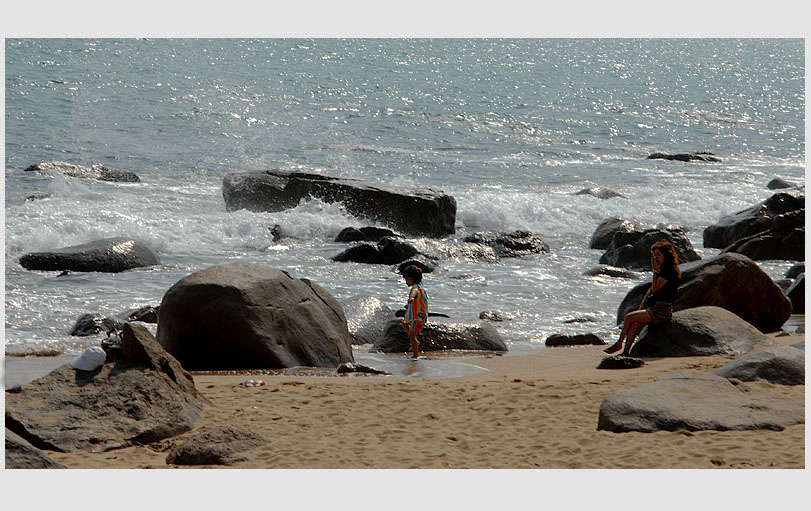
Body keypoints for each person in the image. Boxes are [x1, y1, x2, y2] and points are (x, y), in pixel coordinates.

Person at [604, 239, 681, 356]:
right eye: (654, 255)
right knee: (634, 323)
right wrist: (642, 306)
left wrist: (655, 270)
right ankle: (625, 352)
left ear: (667, 255)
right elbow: (651, 291)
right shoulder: (663, 269)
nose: (656, 258)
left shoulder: (668, 271)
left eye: (659, 255)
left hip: (661, 311)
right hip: (655, 308)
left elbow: (655, 288)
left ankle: (619, 343)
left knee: (629, 317)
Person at [401, 265, 428, 359]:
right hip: (417, 315)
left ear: (411, 278)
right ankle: (415, 342)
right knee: (404, 325)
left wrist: (411, 298)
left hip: (418, 316)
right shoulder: (422, 289)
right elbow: (420, 302)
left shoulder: (416, 289)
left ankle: (415, 355)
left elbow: (414, 294)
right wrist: (409, 305)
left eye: (406, 279)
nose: (406, 282)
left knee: (412, 334)